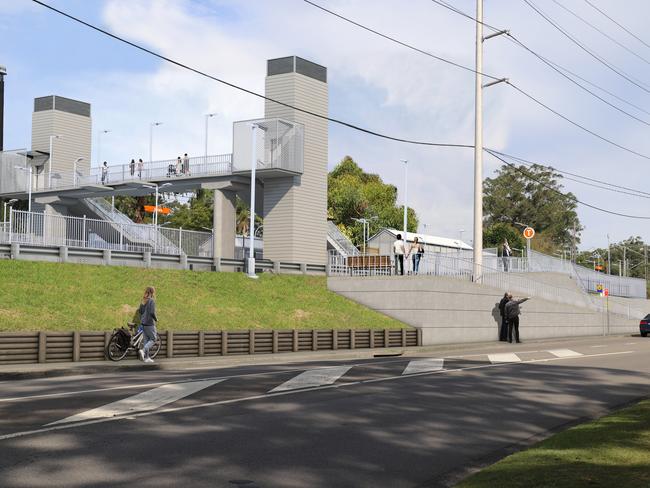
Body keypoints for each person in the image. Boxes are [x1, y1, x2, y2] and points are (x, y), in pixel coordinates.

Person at [138, 286, 158, 363]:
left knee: (146, 341)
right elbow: (152, 312)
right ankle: (142, 351)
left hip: (143, 323)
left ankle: (147, 358)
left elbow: (140, 311)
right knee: (153, 339)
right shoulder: (151, 301)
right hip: (149, 323)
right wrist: (156, 319)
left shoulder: (143, 300)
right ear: (152, 292)